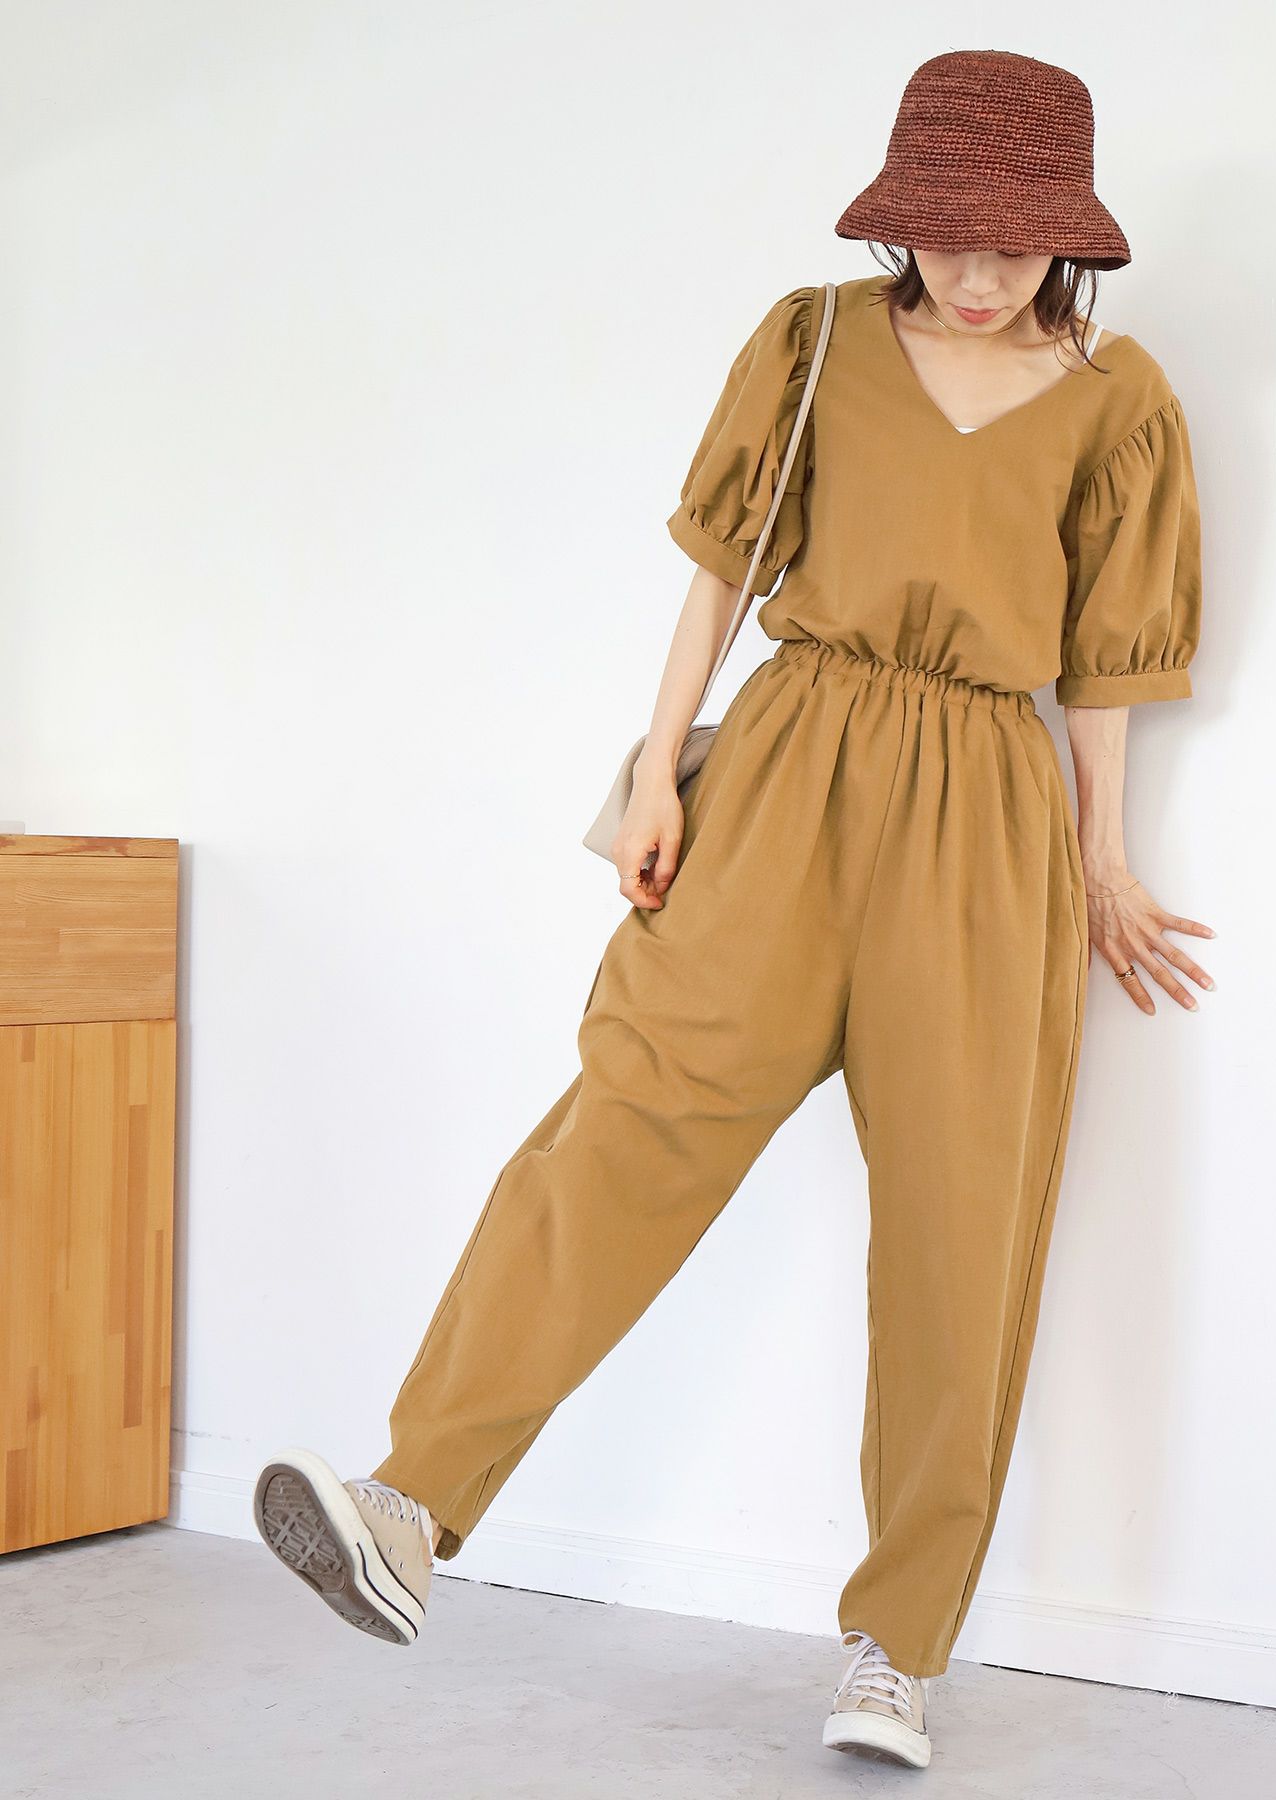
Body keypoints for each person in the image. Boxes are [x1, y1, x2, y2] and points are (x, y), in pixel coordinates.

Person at [251, 48, 1215, 1773]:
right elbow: (719, 571)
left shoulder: (1117, 403)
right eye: (944, 234)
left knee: (963, 1229)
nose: (975, 272)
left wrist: (1105, 858)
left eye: (1011, 243)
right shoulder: (815, 341)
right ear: (898, 218)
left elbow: (1102, 667)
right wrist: (658, 775)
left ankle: (895, 1653)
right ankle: (408, 1506)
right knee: (629, 1120)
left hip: (985, 820)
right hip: (784, 774)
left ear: (1068, 237)